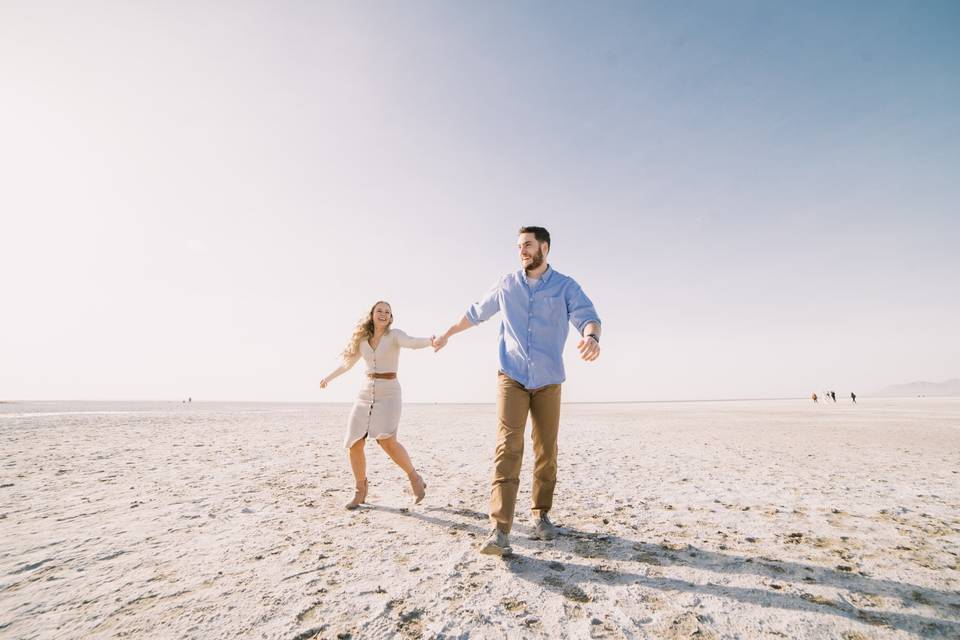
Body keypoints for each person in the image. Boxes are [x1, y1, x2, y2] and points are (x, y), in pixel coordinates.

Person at [434, 226, 602, 557]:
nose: (522, 251)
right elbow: (475, 312)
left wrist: (592, 338)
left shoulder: (566, 286)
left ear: (545, 247)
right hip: (511, 376)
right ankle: (500, 530)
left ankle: (541, 515)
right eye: (519, 247)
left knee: (545, 450)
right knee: (508, 446)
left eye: (527, 245)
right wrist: (448, 333)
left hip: (549, 380)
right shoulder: (507, 283)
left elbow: (588, 317)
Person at [320, 301, 434, 510]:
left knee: (387, 442)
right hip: (365, 392)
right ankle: (360, 491)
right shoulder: (363, 339)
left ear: (391, 318)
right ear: (372, 314)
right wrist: (328, 377)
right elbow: (347, 363)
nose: (383, 314)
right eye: (379, 311)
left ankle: (415, 478)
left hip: (389, 393)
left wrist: (430, 341)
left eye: (387, 312)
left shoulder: (395, 335)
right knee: (354, 442)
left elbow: (412, 342)